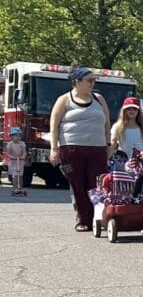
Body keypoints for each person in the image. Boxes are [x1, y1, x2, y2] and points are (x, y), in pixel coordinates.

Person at [48, 67, 112, 231]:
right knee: (78, 184)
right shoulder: (64, 100)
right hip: (71, 149)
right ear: (77, 81)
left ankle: (98, 218)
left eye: (94, 80)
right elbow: (54, 126)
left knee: (97, 184)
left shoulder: (99, 99)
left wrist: (109, 144)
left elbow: (106, 124)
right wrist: (54, 149)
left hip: (97, 149)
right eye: (89, 80)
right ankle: (83, 220)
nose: (93, 83)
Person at [5, 127, 28, 197]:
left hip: (20, 161)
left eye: (19, 136)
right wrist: (11, 156)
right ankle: (15, 188)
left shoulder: (22, 143)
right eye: (16, 136)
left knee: (20, 176)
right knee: (15, 176)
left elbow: (24, 152)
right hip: (13, 162)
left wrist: (23, 156)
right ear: (11, 137)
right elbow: (8, 153)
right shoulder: (10, 144)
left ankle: (20, 188)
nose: (18, 137)